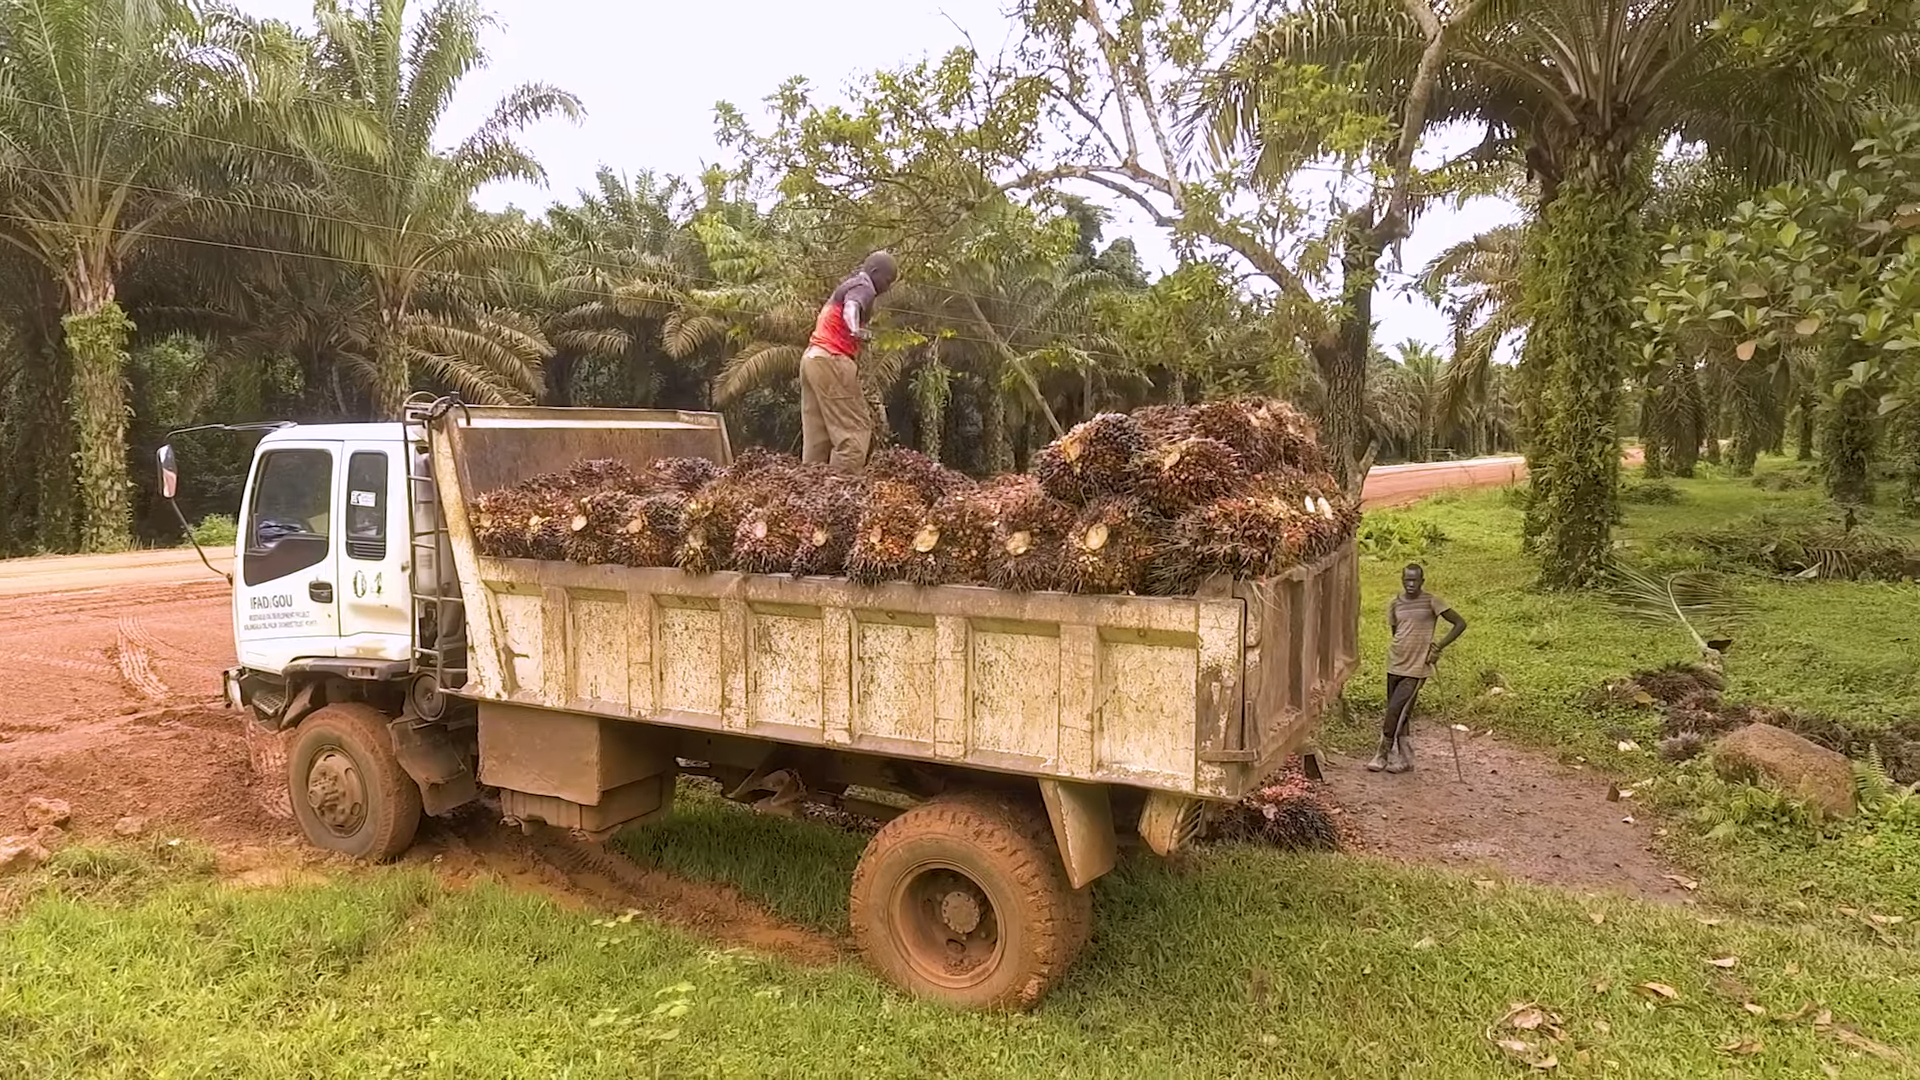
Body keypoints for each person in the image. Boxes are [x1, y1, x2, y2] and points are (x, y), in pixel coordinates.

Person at [801, 251, 897, 472]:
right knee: (855, 432)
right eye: (888, 279)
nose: (888, 287)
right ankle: (839, 492)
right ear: (874, 272)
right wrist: (856, 330)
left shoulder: (848, 284)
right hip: (833, 358)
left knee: (818, 437)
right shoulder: (864, 286)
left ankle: (809, 490)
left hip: (812, 359)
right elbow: (851, 307)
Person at [1369, 563, 1467, 774]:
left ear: (1422, 581)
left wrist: (1438, 646)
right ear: (1402, 580)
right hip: (1395, 663)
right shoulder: (1396, 603)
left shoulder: (1432, 601)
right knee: (1401, 713)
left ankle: (1382, 754)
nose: (1411, 584)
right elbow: (1396, 632)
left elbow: (1460, 624)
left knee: (1395, 709)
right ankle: (1406, 759)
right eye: (1407, 580)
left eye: (1415, 580)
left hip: (1417, 667)